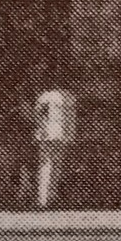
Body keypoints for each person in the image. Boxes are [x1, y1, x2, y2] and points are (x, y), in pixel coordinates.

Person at [34, 79, 78, 209]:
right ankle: (42, 199)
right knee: (46, 164)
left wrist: (70, 134)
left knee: (57, 165)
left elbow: (70, 117)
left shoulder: (68, 96)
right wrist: (41, 130)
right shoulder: (45, 95)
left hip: (59, 133)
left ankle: (51, 197)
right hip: (47, 133)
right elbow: (38, 114)